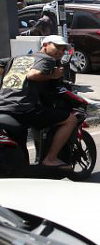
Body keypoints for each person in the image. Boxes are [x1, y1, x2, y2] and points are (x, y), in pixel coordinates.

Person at [0, 35, 78, 168]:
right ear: (45, 45)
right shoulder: (47, 59)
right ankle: (50, 159)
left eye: (63, 49)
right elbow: (32, 75)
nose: (60, 51)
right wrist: (53, 75)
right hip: (23, 108)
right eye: (57, 47)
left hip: (3, 105)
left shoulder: (19, 58)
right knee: (70, 120)